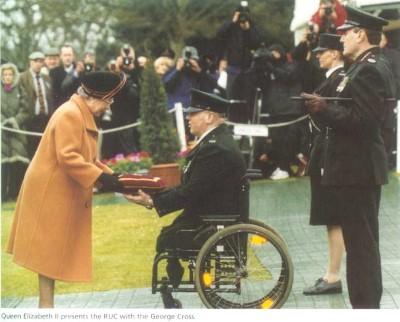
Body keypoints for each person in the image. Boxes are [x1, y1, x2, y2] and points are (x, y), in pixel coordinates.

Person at [301, 6, 396, 308]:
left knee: (362, 248)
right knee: (359, 246)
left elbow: (366, 122)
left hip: (359, 170)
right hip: (353, 169)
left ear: (361, 34)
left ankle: (367, 308)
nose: (341, 38)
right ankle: (365, 306)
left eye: (346, 32)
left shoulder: (370, 68)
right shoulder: (360, 66)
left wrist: (324, 108)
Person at [6, 71, 126, 308]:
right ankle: (46, 309)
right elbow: (69, 157)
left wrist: (117, 179)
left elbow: (88, 159)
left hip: (52, 190)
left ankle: (46, 307)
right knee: (46, 254)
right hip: (47, 192)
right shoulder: (70, 114)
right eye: (109, 101)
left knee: (48, 256)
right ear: (95, 97)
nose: (108, 107)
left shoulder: (77, 113)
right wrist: (104, 179)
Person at [124, 88, 246, 303]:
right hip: (211, 213)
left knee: (167, 238)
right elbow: (192, 186)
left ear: (209, 117)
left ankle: (171, 287)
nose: (188, 118)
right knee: (168, 235)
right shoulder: (215, 143)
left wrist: (152, 201)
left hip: (211, 221)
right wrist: (156, 194)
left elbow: (190, 192)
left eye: (193, 113)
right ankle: (172, 284)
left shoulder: (214, 149)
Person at [302, 34, 346, 296]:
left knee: (335, 218)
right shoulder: (331, 80)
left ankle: (333, 275)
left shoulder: (340, 80)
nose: (318, 55)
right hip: (325, 154)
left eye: (323, 51)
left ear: (336, 54)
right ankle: (331, 272)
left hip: (333, 156)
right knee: (332, 219)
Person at [216, 1, 262, 100]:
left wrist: (248, 29)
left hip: (247, 70)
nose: (243, 17)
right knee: (232, 99)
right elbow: (220, 34)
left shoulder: (253, 27)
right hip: (233, 69)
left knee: (246, 100)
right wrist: (233, 22)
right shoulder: (231, 28)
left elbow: (256, 43)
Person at [1, 62, 30, 201]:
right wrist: (4, 122)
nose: (7, 77)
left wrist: (15, 121)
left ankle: (15, 193)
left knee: (18, 163)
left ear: (14, 76)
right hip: (2, 132)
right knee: (3, 163)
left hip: (18, 131)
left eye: (10, 74)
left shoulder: (20, 89)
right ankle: (3, 194)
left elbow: (26, 109)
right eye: (5, 74)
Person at [19, 51, 54, 159]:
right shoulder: (22, 78)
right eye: (36, 61)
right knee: (31, 150)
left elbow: (50, 97)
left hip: (46, 119)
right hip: (31, 120)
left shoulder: (47, 78)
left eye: (41, 61)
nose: (38, 64)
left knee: (45, 149)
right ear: (30, 62)